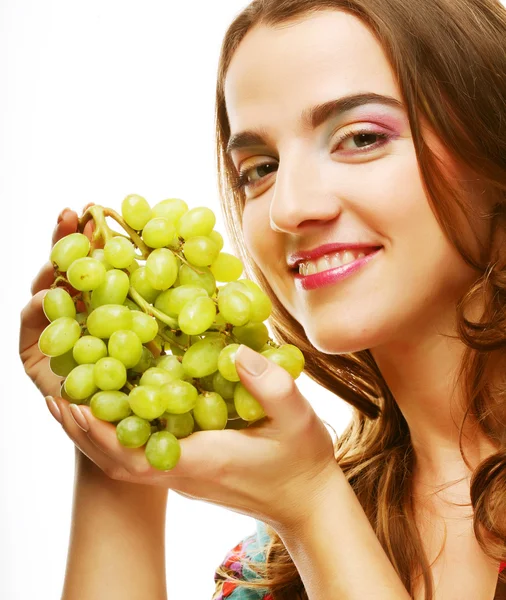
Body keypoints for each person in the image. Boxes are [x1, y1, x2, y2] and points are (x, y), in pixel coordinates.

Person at [19, 0, 506, 598]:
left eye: (360, 137)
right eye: (260, 167)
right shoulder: (276, 565)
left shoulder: (313, 507)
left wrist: (314, 507)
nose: (289, 208)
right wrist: (119, 431)